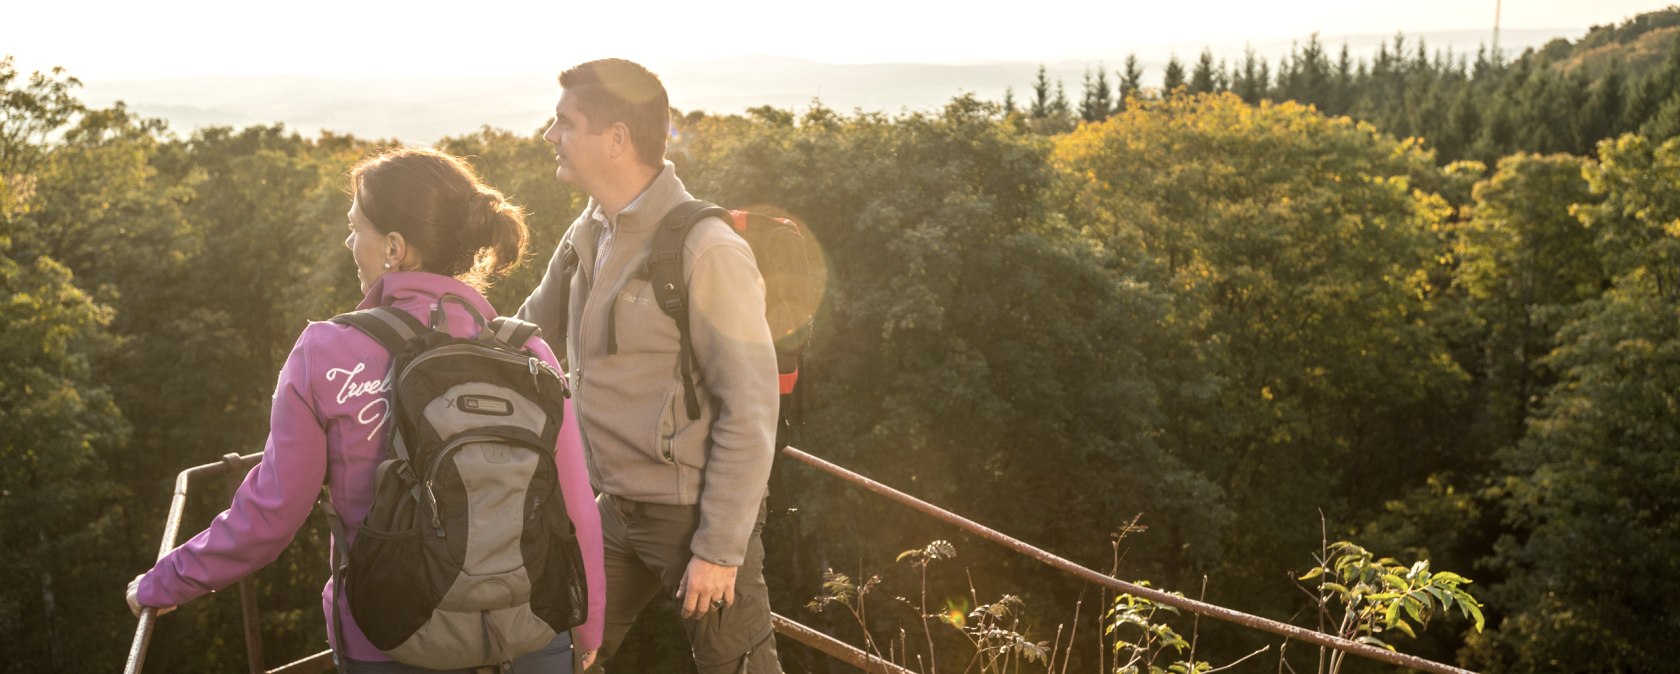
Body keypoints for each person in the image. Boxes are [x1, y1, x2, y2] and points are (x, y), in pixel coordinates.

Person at [124, 146, 606, 673]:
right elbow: (576, 511)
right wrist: (587, 629)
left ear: (394, 248)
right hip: (534, 640)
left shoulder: (324, 352)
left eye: (357, 228)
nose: (350, 242)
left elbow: (271, 512)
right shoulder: (527, 354)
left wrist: (166, 580)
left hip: (390, 644)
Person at [518, 59, 783, 673]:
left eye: (564, 122)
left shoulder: (707, 249)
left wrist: (719, 548)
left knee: (738, 668)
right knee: (551, 658)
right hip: (610, 506)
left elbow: (752, 408)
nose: (549, 135)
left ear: (616, 139)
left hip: (690, 512)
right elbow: (524, 333)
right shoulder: (588, 232)